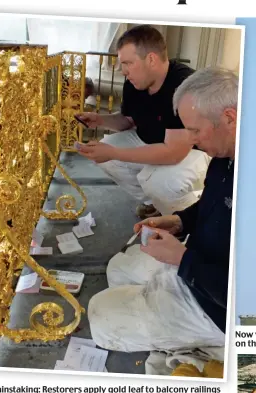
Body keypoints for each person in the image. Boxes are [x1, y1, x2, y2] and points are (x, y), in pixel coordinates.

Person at [88, 68, 237, 364]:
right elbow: (210, 204)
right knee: (118, 268)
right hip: (198, 261)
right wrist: (179, 221)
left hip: (221, 308)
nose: (191, 141)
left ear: (229, 118)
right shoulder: (225, 155)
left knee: (100, 318)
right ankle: (159, 312)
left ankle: (221, 346)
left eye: (195, 130)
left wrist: (182, 260)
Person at [75, 25, 210, 217]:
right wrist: (99, 120)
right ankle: (153, 204)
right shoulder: (134, 82)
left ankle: (183, 218)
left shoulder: (183, 86)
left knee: (156, 180)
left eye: (128, 63)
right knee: (109, 157)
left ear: (151, 59)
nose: (124, 71)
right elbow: (127, 121)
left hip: (190, 152)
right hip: (153, 140)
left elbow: (174, 153)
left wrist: (115, 152)